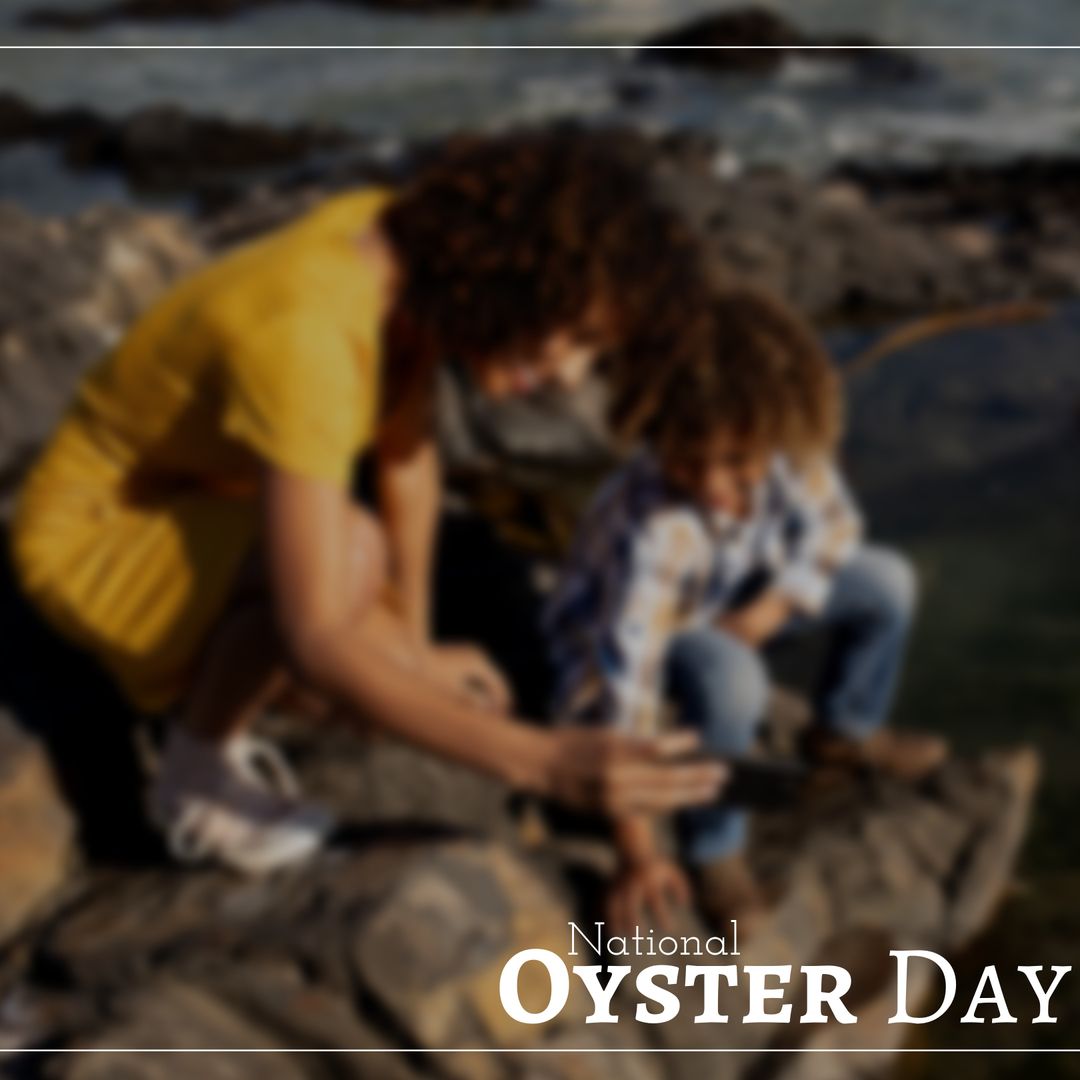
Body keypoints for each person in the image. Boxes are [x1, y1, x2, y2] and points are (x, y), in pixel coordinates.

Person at [9, 131, 727, 874]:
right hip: (93, 535)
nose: (570, 377)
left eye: (594, 354)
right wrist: (542, 763)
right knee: (350, 596)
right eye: (574, 336)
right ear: (524, 270)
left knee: (390, 675)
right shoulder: (307, 336)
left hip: (203, 497)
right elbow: (315, 634)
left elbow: (407, 461)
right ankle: (195, 768)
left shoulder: (397, 249)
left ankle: (234, 682)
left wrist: (412, 652)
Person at [544, 287, 947, 933]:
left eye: (735, 462)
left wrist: (772, 608)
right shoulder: (651, 526)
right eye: (687, 461)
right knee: (734, 678)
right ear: (655, 434)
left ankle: (844, 732)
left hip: (727, 594)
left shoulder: (788, 448)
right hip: (628, 639)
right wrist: (637, 850)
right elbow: (628, 685)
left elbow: (834, 529)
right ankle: (714, 848)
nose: (711, 485)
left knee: (887, 581)